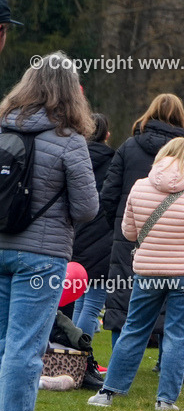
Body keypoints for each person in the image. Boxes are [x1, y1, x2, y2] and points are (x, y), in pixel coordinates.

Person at [0, 51, 97, 411]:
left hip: (1, 246)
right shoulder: (69, 141)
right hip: (42, 256)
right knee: (25, 346)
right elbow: (88, 207)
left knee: (3, 342)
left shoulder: (3, 129)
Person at [87, 137, 184, 410]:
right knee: (178, 334)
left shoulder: (139, 187)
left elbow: (129, 232)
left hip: (148, 271)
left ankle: (109, 390)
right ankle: (165, 399)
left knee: (135, 327)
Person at [100, 94, 184, 349]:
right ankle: (167, 362)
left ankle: (120, 360)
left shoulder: (129, 147)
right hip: (175, 235)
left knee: (123, 299)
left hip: (131, 234)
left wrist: (120, 225)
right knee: (171, 301)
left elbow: (108, 195)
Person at [71, 113, 115, 338]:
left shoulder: (76, 156)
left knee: (80, 300)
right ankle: (82, 354)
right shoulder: (113, 161)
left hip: (78, 232)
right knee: (93, 304)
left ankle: (71, 352)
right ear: (107, 134)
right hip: (103, 236)